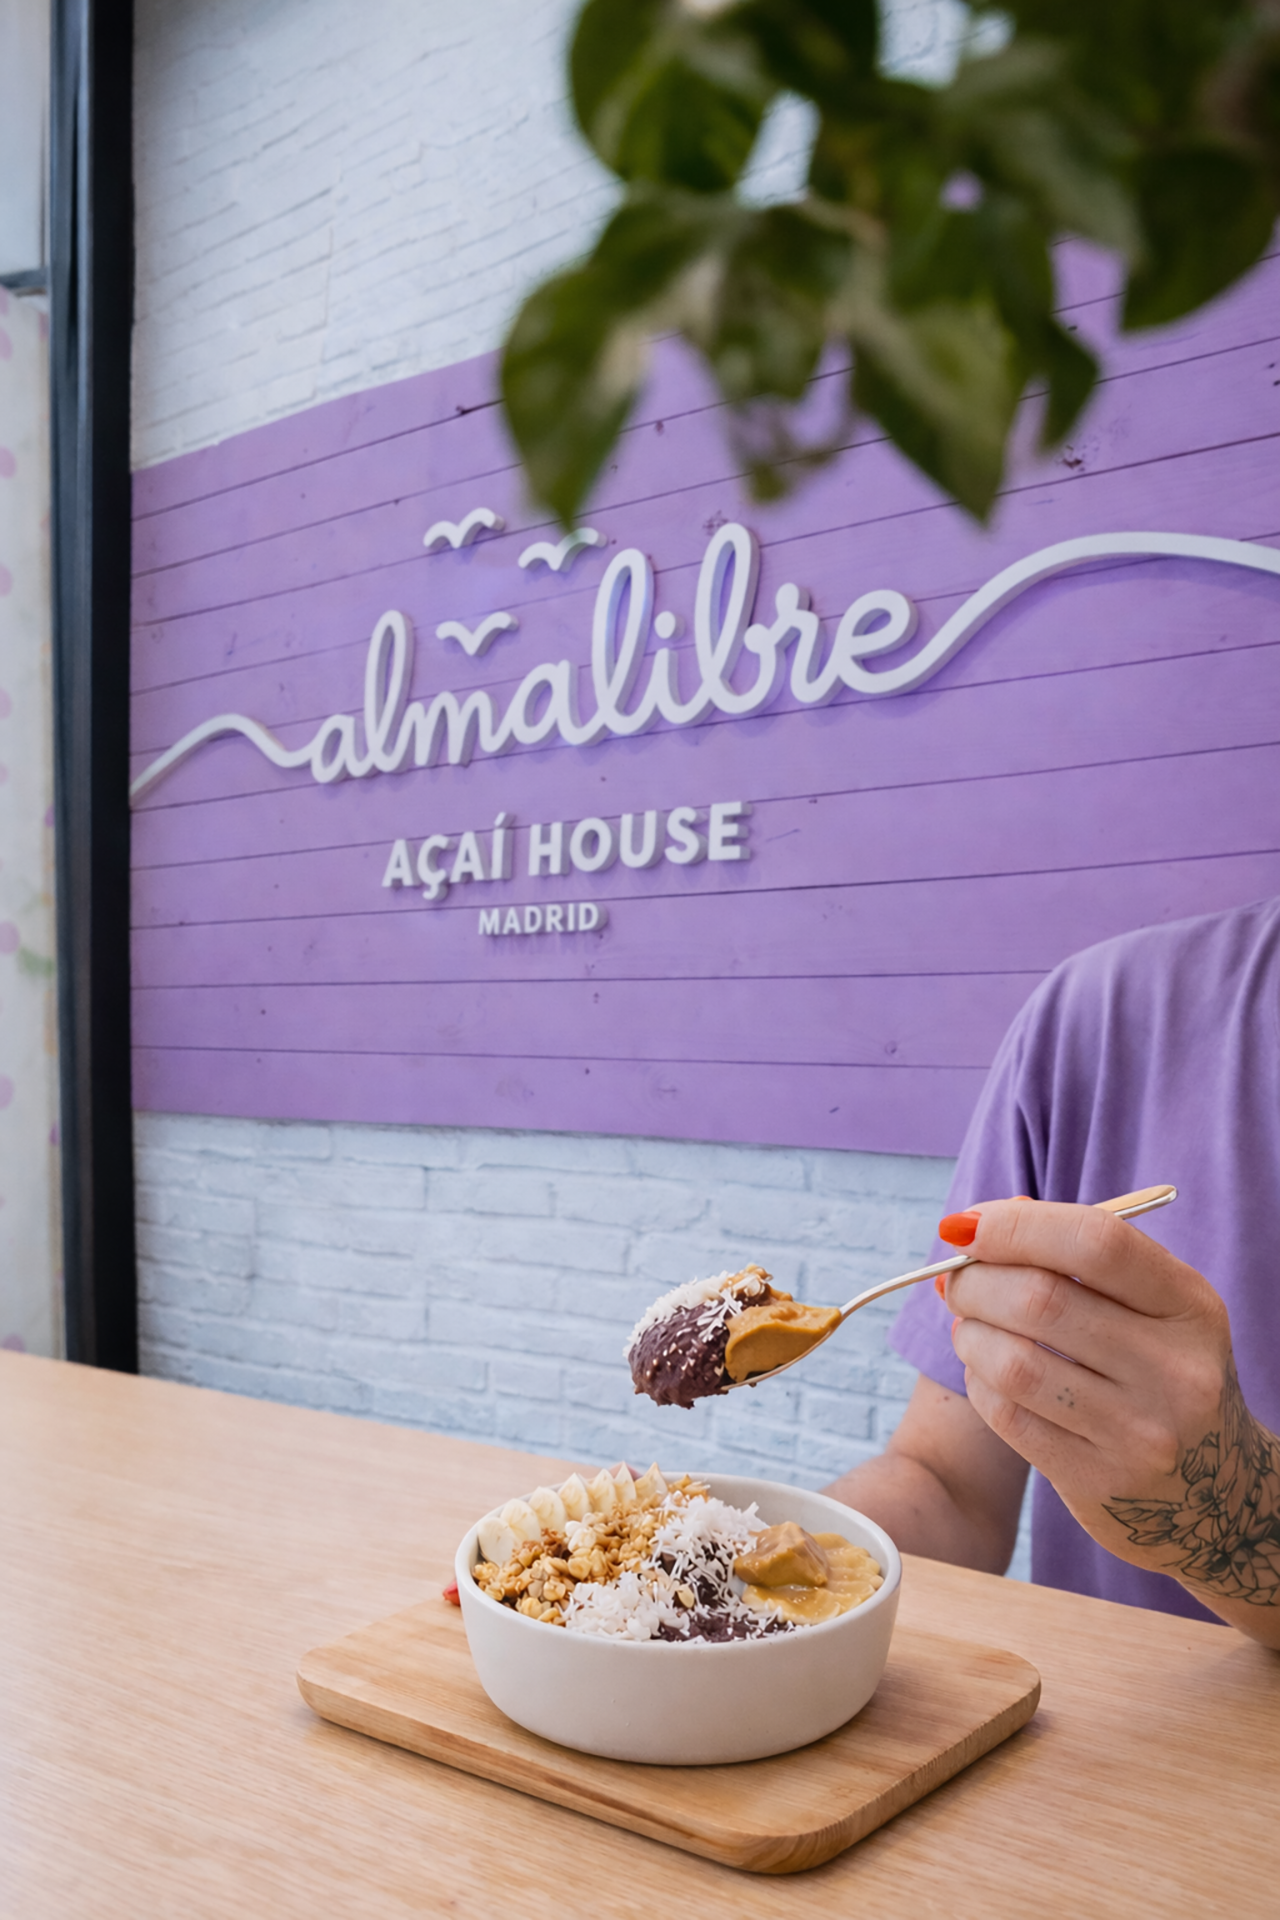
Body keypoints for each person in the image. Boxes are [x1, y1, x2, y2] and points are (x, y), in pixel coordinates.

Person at [823, 897, 1280, 1650]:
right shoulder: (1100, 1019)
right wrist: (745, 1559)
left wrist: (1232, 1513)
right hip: (1097, 1743)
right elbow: (951, 1486)